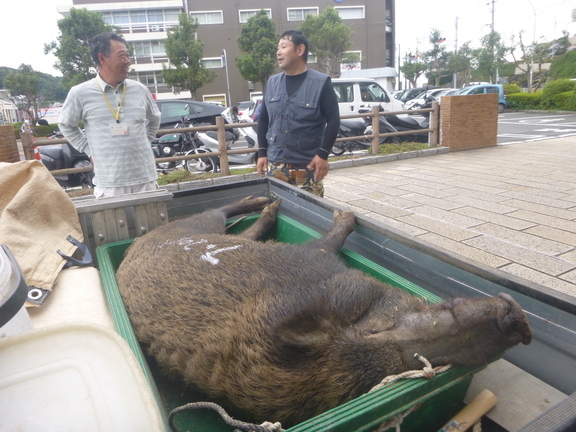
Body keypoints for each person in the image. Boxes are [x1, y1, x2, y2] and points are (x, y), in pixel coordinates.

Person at [58, 32, 161, 198]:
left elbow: (154, 118)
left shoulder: (140, 89)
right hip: (110, 183)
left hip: (145, 179)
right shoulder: (80, 93)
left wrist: (144, 141)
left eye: (128, 55)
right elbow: (65, 124)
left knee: (155, 224)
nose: (128, 61)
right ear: (102, 58)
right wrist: (88, 149)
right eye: (122, 56)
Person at [256, 30, 340, 197]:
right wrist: (262, 153)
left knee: (310, 215)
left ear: (300, 50)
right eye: (277, 48)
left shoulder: (321, 83)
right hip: (276, 165)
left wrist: (323, 155)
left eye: (283, 47)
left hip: (307, 166)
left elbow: (333, 120)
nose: (278, 52)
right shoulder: (272, 83)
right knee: (275, 212)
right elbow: (264, 120)